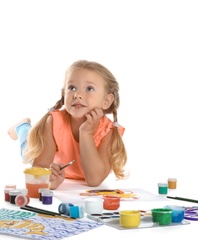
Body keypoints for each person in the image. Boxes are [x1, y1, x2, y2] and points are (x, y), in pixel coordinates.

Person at [8, 60, 127, 190]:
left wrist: (86, 133)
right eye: (72, 88)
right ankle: (22, 127)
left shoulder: (108, 131)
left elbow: (94, 180)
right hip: (36, 144)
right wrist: (49, 180)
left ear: (106, 101)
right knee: (27, 152)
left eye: (89, 89)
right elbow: (39, 168)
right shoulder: (54, 122)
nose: (77, 95)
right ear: (64, 93)